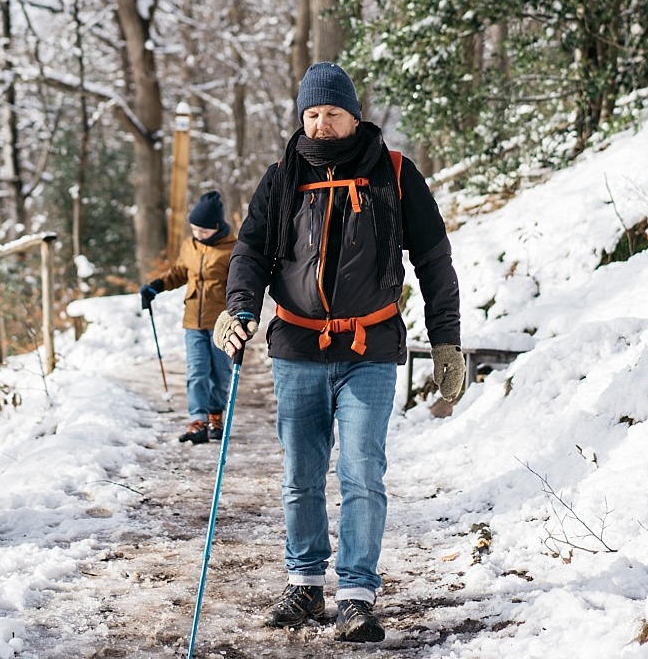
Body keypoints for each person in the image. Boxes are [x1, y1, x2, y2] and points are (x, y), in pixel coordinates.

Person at [213, 61, 467, 644]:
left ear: (354, 116)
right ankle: (304, 582)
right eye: (311, 114)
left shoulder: (396, 175)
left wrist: (446, 339)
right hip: (298, 345)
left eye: (331, 113)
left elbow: (434, 263)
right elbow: (250, 251)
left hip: (368, 347)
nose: (321, 125)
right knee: (301, 473)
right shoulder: (282, 177)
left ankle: (356, 593)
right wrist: (241, 306)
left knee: (361, 471)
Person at [140, 190, 237, 444]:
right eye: (194, 229)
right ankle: (198, 420)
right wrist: (156, 286)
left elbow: (241, 284)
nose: (198, 235)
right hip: (193, 319)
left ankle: (216, 415)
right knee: (197, 371)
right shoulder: (190, 245)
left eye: (203, 231)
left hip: (221, 323)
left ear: (217, 227)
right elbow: (180, 272)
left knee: (220, 373)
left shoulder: (233, 249)